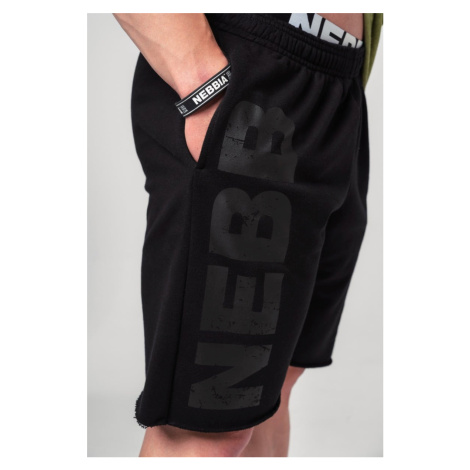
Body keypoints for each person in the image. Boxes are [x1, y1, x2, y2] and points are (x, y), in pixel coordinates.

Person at [113, 13, 382, 457]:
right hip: (250, 69)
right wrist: (204, 82)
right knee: (206, 425)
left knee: (273, 386)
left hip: (340, 82)